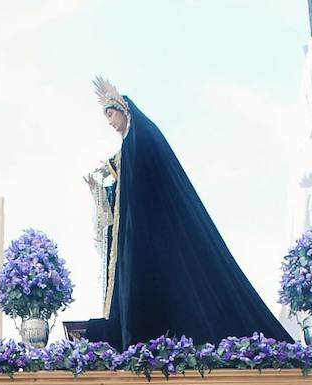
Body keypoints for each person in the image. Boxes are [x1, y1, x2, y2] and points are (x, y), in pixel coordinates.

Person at [82, 78, 291, 347]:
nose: (110, 122)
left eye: (110, 114)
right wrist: (105, 187)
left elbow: (142, 186)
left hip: (157, 234)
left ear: (123, 109)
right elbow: (128, 200)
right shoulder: (130, 146)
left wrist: (115, 168)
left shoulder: (141, 137)